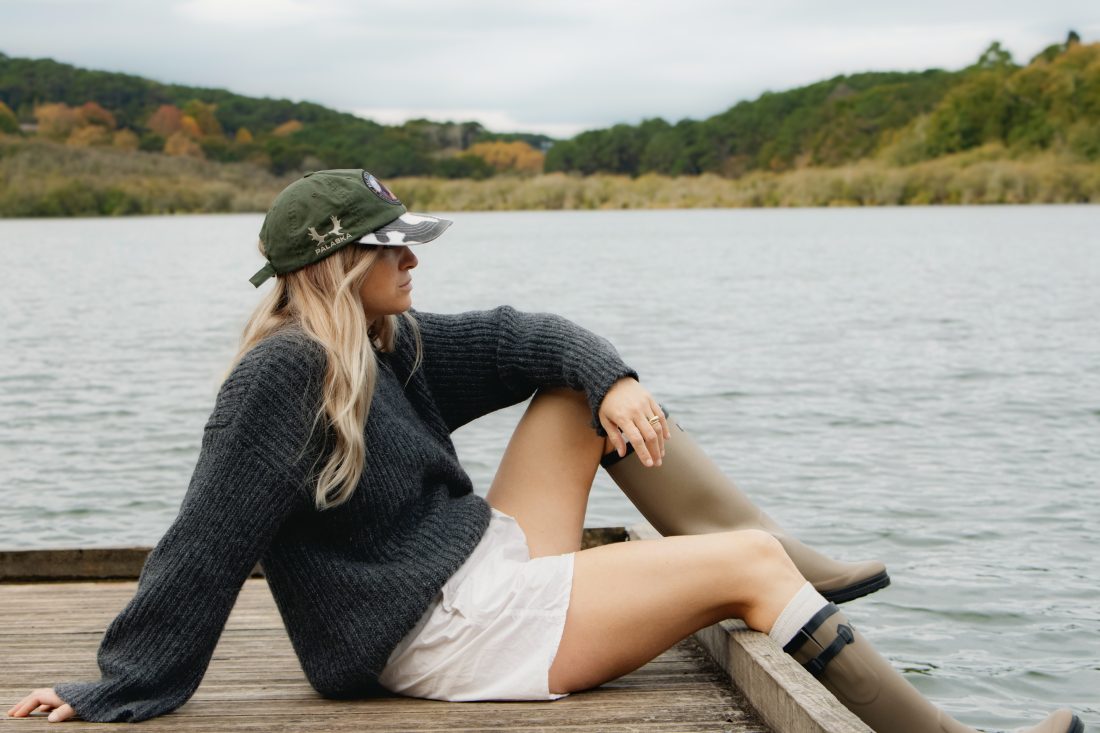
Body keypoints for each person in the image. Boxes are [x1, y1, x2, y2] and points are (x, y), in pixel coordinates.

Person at [7, 169, 1082, 733]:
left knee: (574, 396)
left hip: (479, 571)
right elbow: (205, 535)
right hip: (434, 636)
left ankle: (778, 548)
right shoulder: (284, 377)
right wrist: (116, 681)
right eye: (397, 247)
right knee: (742, 570)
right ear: (341, 261)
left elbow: (534, 334)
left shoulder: (390, 343)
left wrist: (611, 377)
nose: (414, 261)